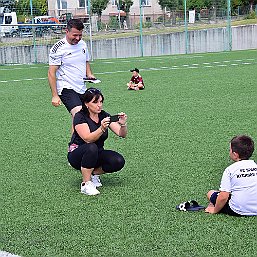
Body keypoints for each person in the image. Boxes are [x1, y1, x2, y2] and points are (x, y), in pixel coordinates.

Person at [68, 87, 128, 196]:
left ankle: (94, 174)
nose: (99, 105)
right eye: (95, 102)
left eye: (101, 101)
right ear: (86, 104)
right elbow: (87, 138)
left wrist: (123, 124)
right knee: (91, 147)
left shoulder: (104, 115)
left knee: (118, 161)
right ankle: (86, 184)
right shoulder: (79, 117)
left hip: (97, 153)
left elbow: (121, 133)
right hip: (77, 155)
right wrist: (101, 129)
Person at [48, 18, 95, 127]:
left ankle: (78, 143)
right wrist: (54, 95)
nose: (77, 38)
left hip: (81, 87)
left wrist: (89, 74)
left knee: (87, 115)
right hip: (66, 88)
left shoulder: (83, 44)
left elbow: (85, 60)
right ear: (67, 31)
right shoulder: (58, 48)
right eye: (74, 35)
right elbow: (51, 73)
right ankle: (76, 144)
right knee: (78, 115)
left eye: (80, 35)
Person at [205, 135, 257, 216]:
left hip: (238, 210)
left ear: (235, 154)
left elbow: (223, 197)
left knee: (210, 193)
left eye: (230, 150)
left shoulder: (230, 170)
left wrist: (215, 210)